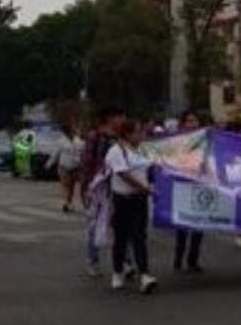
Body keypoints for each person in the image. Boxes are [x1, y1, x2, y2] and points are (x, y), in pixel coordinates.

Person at [105, 118, 158, 293]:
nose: (141, 135)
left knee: (139, 236)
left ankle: (144, 274)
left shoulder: (142, 150)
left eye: (142, 131)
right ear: (127, 134)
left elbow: (150, 169)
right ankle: (117, 272)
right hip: (122, 200)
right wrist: (144, 187)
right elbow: (123, 174)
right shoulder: (116, 151)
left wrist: (151, 185)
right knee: (120, 238)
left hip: (140, 199)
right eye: (137, 132)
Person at [80, 107, 125, 277]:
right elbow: (87, 161)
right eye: (120, 116)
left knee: (122, 225)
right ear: (110, 118)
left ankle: (125, 262)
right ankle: (93, 261)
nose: (122, 119)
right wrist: (86, 187)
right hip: (99, 187)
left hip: (119, 186)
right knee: (94, 225)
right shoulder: (96, 136)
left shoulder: (122, 137)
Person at [172, 110, 206, 273]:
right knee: (182, 226)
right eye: (189, 121)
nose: (192, 124)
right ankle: (178, 259)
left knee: (199, 225)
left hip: (200, 186)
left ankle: (192, 260)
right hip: (183, 187)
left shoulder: (205, 140)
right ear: (183, 124)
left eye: (195, 121)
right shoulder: (178, 141)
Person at [47, 122, 84, 213]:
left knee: (72, 186)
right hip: (64, 167)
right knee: (65, 185)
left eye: (72, 130)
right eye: (68, 131)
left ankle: (69, 202)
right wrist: (49, 164)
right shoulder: (60, 141)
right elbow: (55, 154)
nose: (71, 132)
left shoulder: (78, 141)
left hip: (75, 167)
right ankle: (66, 203)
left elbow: (83, 152)